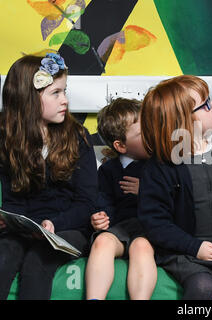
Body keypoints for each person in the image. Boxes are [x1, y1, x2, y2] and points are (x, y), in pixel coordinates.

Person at [138, 75, 212, 300]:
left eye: (210, 100)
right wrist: (194, 247)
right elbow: (155, 222)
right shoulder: (160, 167)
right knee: (202, 286)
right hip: (187, 248)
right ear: (182, 121)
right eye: (205, 105)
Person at [0, 53, 97, 299]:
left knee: (36, 261)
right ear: (28, 99)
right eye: (55, 93)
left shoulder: (77, 136)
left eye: (65, 91)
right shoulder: (8, 139)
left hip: (68, 228)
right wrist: (9, 220)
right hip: (26, 228)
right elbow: (13, 199)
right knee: (4, 256)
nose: (64, 100)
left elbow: (86, 203)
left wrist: (55, 225)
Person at [85, 98, 157, 300]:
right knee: (102, 242)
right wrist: (99, 218)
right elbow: (103, 200)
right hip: (120, 228)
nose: (152, 135)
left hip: (150, 228)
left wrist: (146, 191)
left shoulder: (159, 165)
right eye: (144, 133)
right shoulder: (108, 170)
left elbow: (173, 199)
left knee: (140, 247)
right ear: (121, 146)